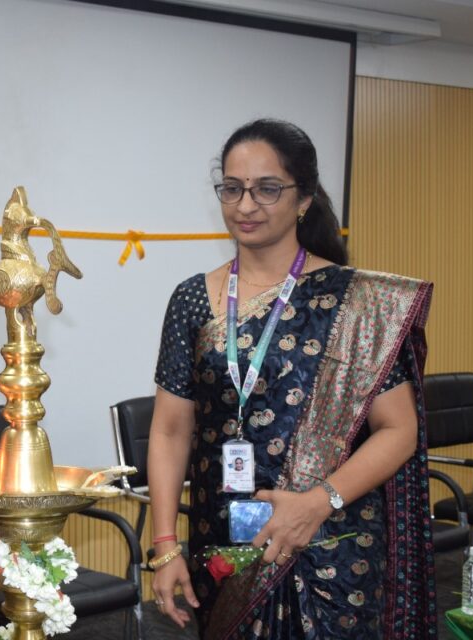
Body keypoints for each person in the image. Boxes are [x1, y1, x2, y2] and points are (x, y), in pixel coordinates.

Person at [147, 118, 435, 639]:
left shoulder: (357, 302)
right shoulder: (192, 298)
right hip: (226, 542)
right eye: (232, 189)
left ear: (303, 199)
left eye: (267, 189)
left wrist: (316, 502)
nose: (245, 205)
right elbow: (170, 430)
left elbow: (400, 430)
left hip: (333, 542)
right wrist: (164, 544)